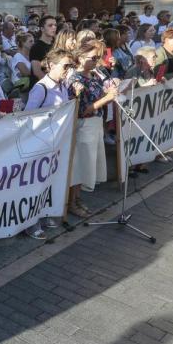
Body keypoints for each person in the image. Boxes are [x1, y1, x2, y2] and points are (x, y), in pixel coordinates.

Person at [24, 50, 77, 239]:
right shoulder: (41, 88)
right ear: (52, 65)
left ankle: (45, 213)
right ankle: (32, 223)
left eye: (71, 66)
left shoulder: (62, 86)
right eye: (65, 65)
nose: (68, 70)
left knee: (50, 180)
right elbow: (28, 116)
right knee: (36, 184)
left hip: (56, 142)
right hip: (41, 143)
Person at [69, 44, 118, 218]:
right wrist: (107, 98)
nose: (97, 61)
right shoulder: (75, 78)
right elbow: (83, 109)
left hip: (96, 123)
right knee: (80, 165)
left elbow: (99, 97)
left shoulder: (94, 75)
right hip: (84, 124)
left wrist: (110, 91)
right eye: (93, 58)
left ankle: (78, 198)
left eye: (97, 58)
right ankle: (72, 202)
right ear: (81, 58)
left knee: (88, 165)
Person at [30, 15, 57, 79]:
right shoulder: (36, 47)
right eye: (50, 25)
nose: (54, 27)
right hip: (42, 85)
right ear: (42, 29)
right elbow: (37, 72)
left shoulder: (55, 45)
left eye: (55, 25)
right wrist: (52, 84)